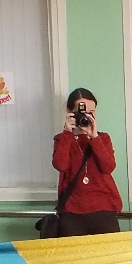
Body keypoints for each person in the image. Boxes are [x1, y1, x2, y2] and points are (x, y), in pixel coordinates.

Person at [50, 88, 123, 237]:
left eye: (91, 112)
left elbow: (108, 167)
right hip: (72, 210)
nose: (87, 117)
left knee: (108, 250)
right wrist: (67, 133)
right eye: (82, 113)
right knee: (74, 251)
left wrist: (94, 137)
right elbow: (60, 165)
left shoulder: (103, 138)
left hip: (103, 207)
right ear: (70, 112)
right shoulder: (62, 139)